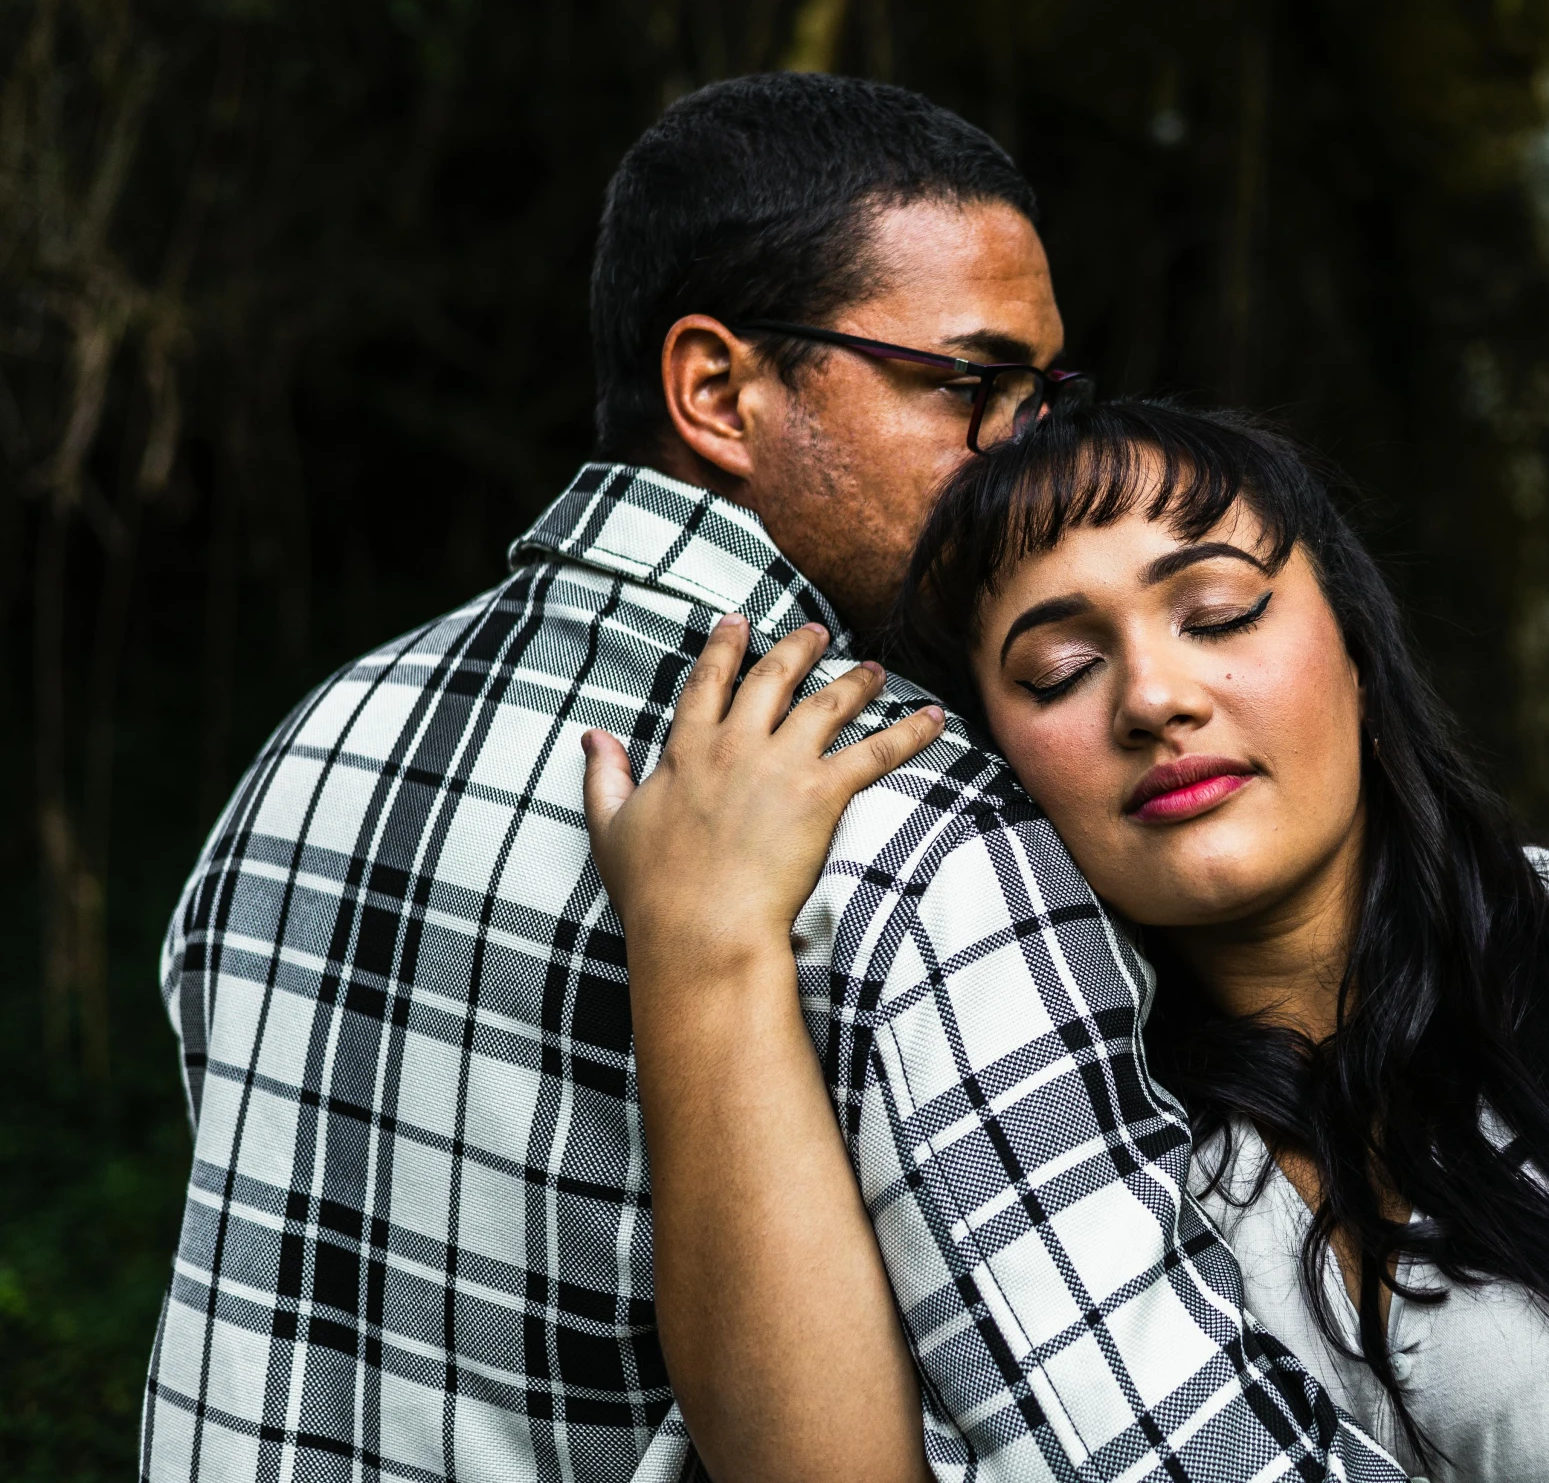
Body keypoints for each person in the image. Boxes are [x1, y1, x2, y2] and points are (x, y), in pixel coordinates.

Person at [144, 75, 1407, 1483]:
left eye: (1046, 395)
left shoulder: (321, 743)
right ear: (717, 391)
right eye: (972, 387)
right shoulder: (911, 833)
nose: (1028, 454)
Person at [581, 401, 1549, 1482]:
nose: (1153, 695)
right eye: (1057, 667)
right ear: (997, 756)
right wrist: (702, 945)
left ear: (1348, 634)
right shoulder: (1050, 1125)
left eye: (1217, 609)